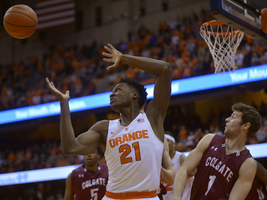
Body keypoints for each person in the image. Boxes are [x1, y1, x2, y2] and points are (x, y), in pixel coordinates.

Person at [46, 43, 174, 200]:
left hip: (146, 196)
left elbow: (165, 69)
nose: (112, 94)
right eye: (112, 92)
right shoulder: (104, 128)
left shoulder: (152, 119)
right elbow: (70, 147)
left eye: (118, 90)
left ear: (134, 95)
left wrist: (124, 58)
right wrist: (64, 104)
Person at [172, 102, 261, 200]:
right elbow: (184, 169)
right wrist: (176, 197)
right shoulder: (209, 139)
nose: (227, 119)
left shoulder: (248, 163)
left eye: (234, 117)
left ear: (245, 126)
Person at [160, 132, 195, 200]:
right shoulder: (158, 160)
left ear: (173, 144)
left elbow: (195, 179)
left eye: (167, 141)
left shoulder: (181, 159)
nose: (164, 144)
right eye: (162, 141)